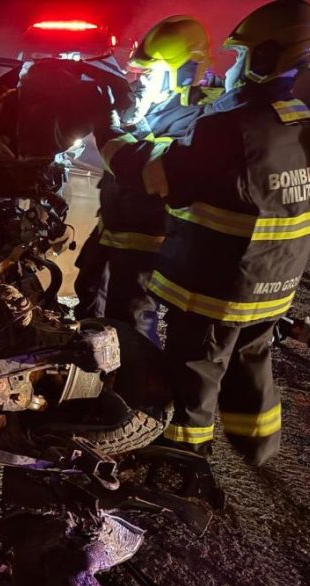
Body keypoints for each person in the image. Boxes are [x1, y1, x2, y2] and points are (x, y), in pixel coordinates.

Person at [93, 0, 310, 465]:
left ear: (267, 57)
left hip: (219, 284)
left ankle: (184, 460)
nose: (235, 65)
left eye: (243, 56)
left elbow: (151, 177)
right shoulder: (297, 116)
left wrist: (106, 130)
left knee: (196, 369)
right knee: (250, 359)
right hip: (274, 279)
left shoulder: (228, 124)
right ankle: (259, 445)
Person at [74, 16, 221, 344]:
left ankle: (134, 391)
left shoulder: (205, 116)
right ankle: (91, 381)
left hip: (150, 241)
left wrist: (112, 126)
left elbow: (148, 169)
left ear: (185, 69)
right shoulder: (158, 100)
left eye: (152, 72)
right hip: (113, 228)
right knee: (90, 299)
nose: (142, 80)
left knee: (132, 321)